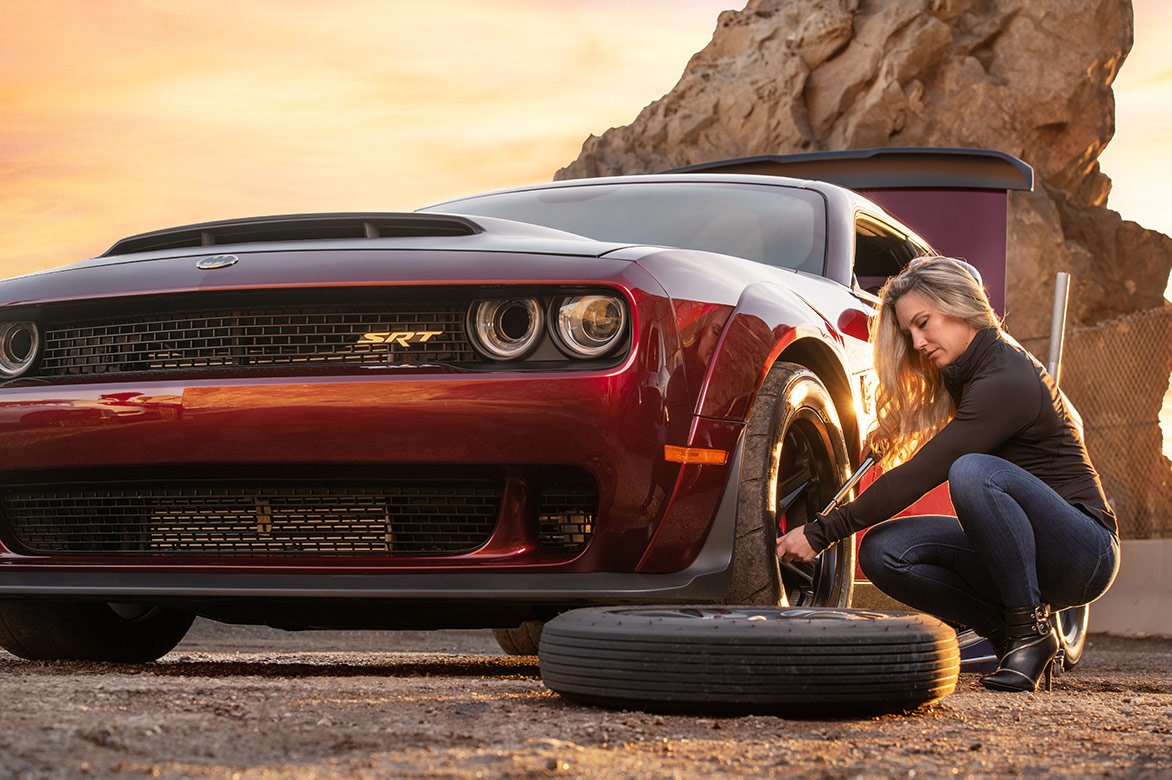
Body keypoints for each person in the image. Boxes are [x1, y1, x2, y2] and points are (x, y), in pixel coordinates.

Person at [776, 256, 1120, 692]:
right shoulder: (969, 372)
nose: (918, 342)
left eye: (924, 323)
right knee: (883, 552)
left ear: (959, 305)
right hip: (1026, 549)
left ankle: (1028, 631)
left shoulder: (1005, 375)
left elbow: (924, 472)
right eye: (909, 332)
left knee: (973, 472)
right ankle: (1009, 634)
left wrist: (822, 531)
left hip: (1084, 552)